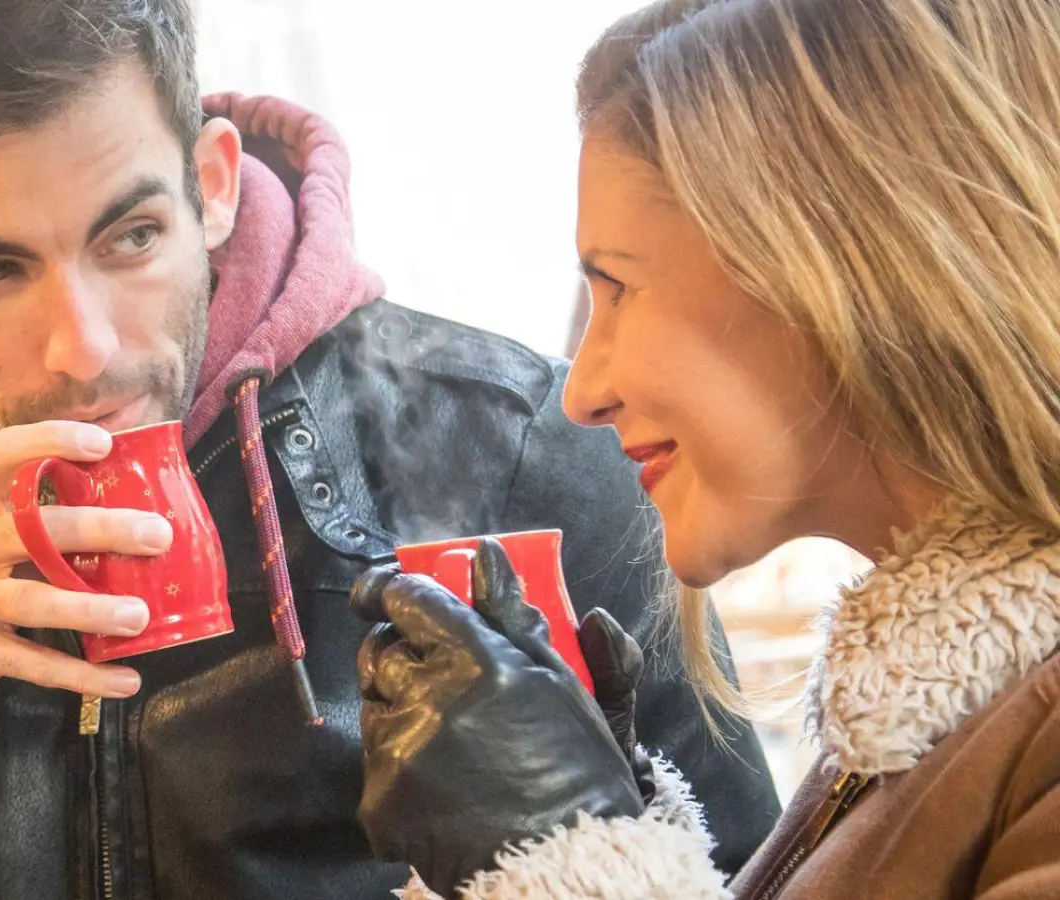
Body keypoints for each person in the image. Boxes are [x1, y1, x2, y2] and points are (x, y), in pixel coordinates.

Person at [0, 2, 780, 897]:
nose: (83, 349)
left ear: (212, 187)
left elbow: (747, 871)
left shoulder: (515, 439)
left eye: (132, 236)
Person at [353, 0, 1060, 896]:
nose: (581, 391)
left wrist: (556, 850)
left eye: (617, 287)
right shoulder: (930, 719)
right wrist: (608, 809)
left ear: (836, 262)